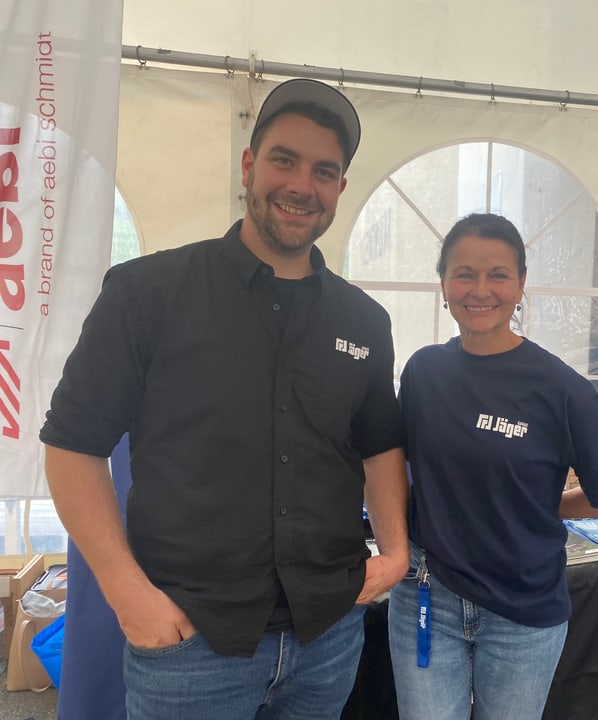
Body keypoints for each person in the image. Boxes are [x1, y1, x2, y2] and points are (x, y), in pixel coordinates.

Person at [39, 78, 409, 720]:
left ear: (339, 190)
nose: (302, 185)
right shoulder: (145, 294)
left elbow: (379, 448)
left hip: (328, 637)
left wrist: (397, 550)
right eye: (283, 159)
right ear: (249, 165)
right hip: (190, 646)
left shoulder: (365, 322)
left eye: (324, 171)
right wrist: (128, 595)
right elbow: (72, 447)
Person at [387, 213, 598, 720]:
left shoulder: (560, 388)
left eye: (498, 274)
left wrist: (551, 508)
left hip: (523, 613)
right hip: (427, 598)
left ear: (521, 284)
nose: (480, 289)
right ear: (444, 283)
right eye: (464, 273)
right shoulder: (423, 372)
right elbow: (394, 465)